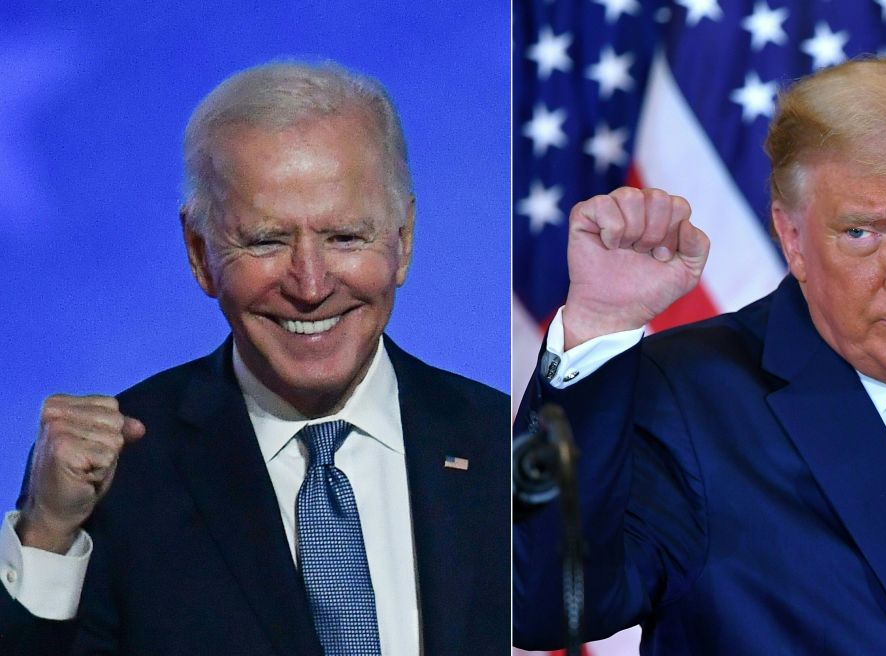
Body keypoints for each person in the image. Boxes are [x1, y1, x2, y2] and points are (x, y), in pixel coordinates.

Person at [514, 50, 886, 656]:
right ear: (792, 237)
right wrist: (600, 323)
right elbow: (543, 605)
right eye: (861, 232)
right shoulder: (688, 399)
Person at [0, 60, 509, 655]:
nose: (311, 284)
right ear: (199, 253)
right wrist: (48, 537)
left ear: (404, 240)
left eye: (345, 237)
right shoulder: (121, 476)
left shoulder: (505, 445)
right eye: (266, 240)